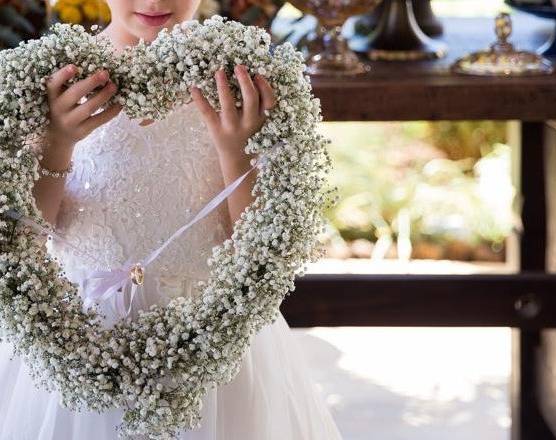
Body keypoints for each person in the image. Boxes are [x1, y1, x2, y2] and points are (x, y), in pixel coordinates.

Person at [0, 1, 343, 439]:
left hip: (213, 336)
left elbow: (258, 244)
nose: (155, 2)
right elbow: (25, 240)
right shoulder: (57, 81)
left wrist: (234, 149)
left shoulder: (239, 82)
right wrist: (56, 144)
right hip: (79, 338)